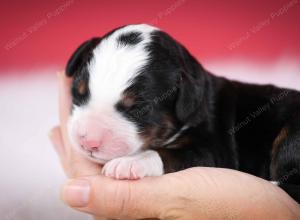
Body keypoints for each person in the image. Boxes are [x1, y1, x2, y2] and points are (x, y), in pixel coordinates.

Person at [49, 72, 300, 220]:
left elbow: (197, 154)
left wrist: (281, 210)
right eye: (81, 98)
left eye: (133, 109)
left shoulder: (205, 123)